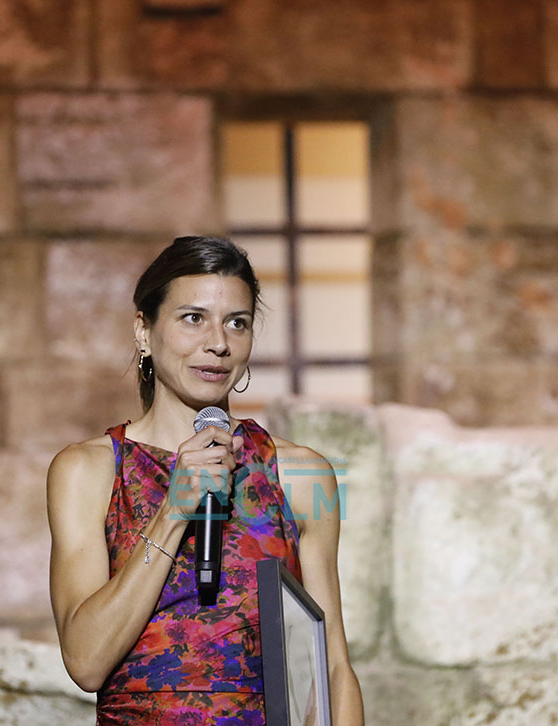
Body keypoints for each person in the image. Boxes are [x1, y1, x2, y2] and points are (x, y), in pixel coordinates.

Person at [47, 236, 364, 725]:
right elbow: (85, 662)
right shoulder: (86, 470)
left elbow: (333, 669)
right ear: (144, 331)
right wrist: (173, 512)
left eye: (236, 323)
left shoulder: (305, 474)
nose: (218, 342)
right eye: (193, 318)